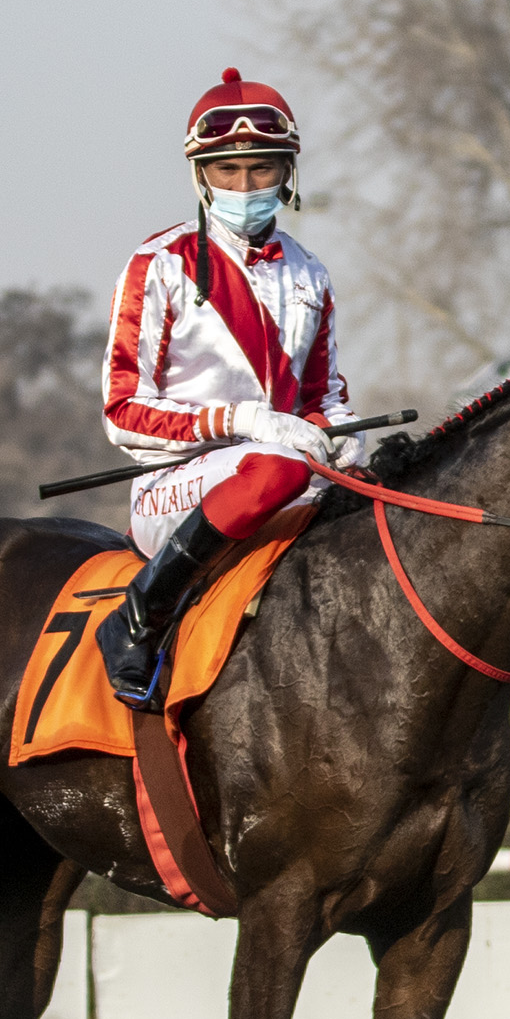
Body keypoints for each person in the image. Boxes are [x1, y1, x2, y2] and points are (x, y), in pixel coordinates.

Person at [95, 66, 359, 710]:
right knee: (274, 467)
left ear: (287, 172)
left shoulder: (311, 274)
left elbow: (323, 400)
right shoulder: (159, 264)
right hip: (175, 484)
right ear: (201, 177)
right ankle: (139, 617)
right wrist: (239, 421)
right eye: (227, 171)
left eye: (262, 169)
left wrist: (342, 436)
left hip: (284, 473)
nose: (245, 187)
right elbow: (122, 412)